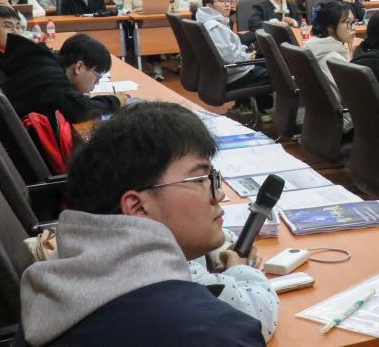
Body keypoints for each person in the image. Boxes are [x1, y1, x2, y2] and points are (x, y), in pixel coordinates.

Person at [18, 102, 271, 346]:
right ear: (138, 207)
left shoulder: (53, 288)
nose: (219, 194)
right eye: (199, 179)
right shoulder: (214, 333)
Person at [1, 32, 121, 134]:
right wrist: (116, 101)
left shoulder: (46, 65)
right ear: (79, 67)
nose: (97, 83)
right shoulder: (51, 80)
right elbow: (82, 111)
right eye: (98, 76)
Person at [196, 0, 272, 109]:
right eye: (222, 1)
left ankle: (248, 106)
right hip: (236, 74)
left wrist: (245, 52)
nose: (227, 4)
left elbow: (230, 48)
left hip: (222, 74)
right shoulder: (214, 26)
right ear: (209, 6)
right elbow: (230, 58)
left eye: (228, 1)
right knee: (280, 73)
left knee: (267, 63)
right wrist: (248, 56)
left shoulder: (208, 20)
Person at [303, 0, 356, 132]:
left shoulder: (312, 47)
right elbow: (355, 99)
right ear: (330, 27)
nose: (353, 27)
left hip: (320, 123)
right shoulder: (334, 60)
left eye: (354, 22)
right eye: (347, 22)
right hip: (344, 124)